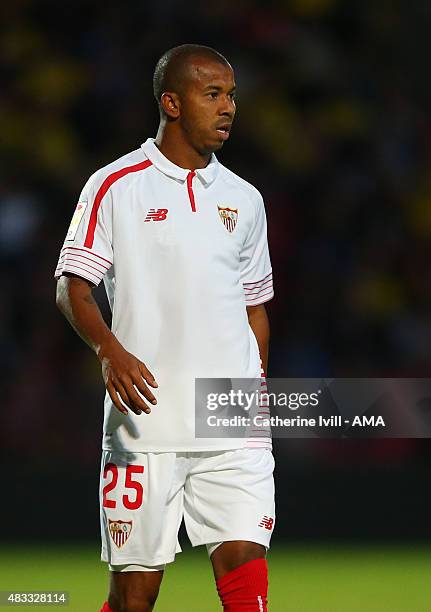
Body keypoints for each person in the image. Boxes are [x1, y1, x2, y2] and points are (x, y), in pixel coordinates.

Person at [55, 44, 275, 612]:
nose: (228, 107)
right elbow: (72, 286)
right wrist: (108, 349)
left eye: (231, 95)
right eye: (213, 94)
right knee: (135, 596)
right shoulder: (115, 185)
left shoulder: (245, 199)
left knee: (247, 577)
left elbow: (255, 306)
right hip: (145, 418)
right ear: (172, 103)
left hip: (230, 416)